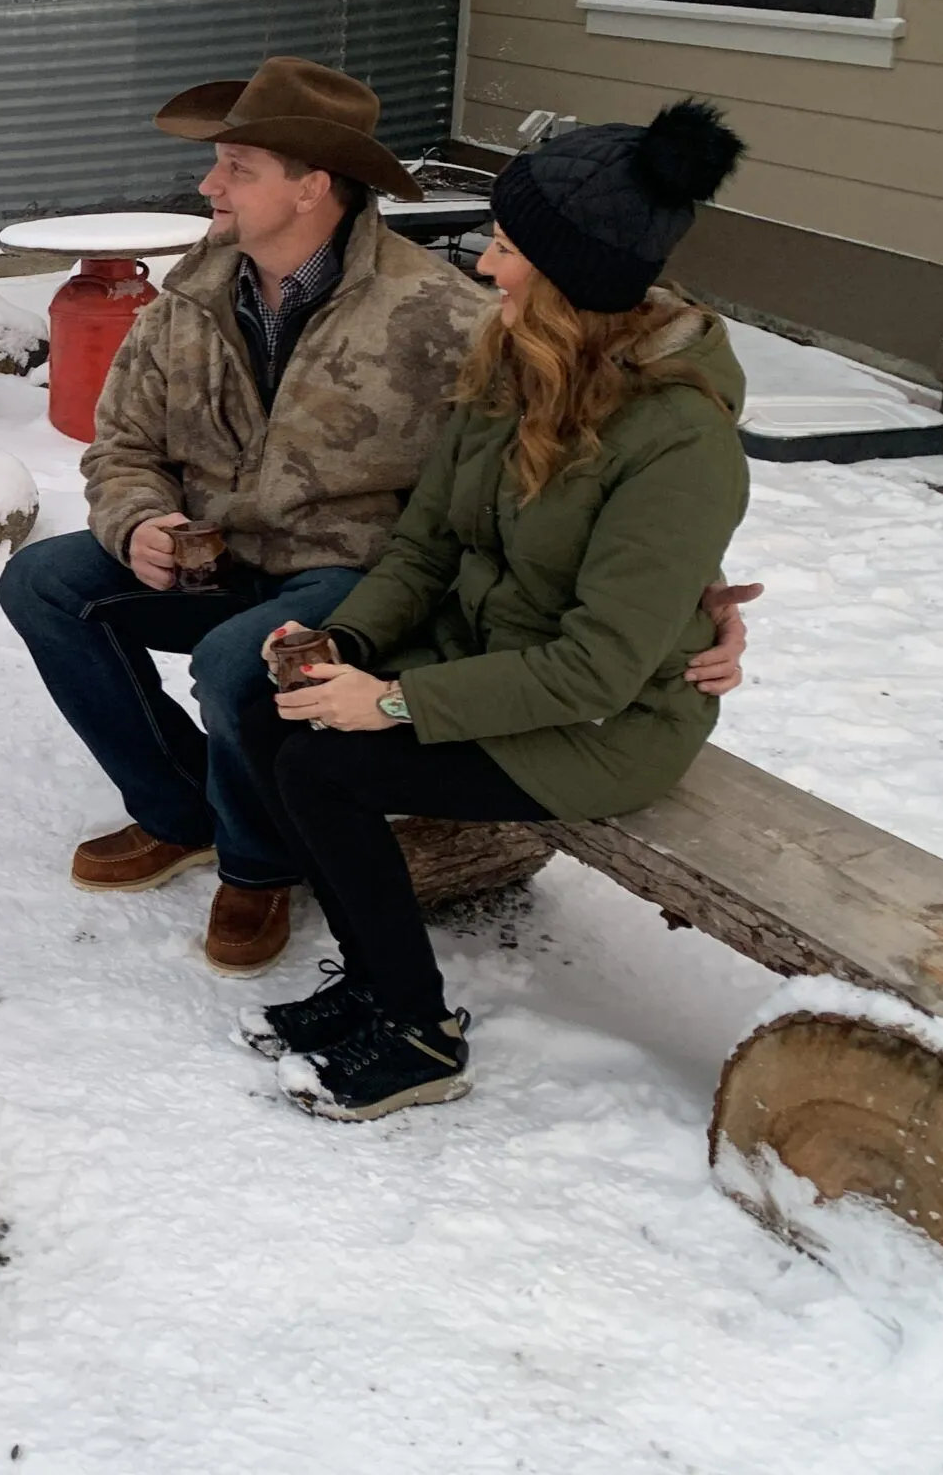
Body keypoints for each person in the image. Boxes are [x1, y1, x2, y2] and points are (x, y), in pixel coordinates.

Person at [0, 58, 752, 976]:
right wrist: (138, 521)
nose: (209, 185)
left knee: (244, 658)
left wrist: (693, 600)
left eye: (237, 166)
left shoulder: (446, 316)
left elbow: (578, 466)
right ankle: (179, 811)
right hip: (216, 555)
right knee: (45, 581)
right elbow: (120, 442)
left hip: (355, 573)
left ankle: (257, 858)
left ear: (311, 187)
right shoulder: (190, 293)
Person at [241, 100, 754, 1122]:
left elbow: (596, 669)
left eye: (510, 248)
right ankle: (373, 978)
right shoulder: (517, 367)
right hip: (495, 653)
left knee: (328, 765)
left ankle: (419, 1032)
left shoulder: (679, 443)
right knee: (273, 712)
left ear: (577, 280)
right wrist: (344, 642)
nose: (485, 266)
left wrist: (391, 703)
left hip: (604, 720)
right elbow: (427, 544)